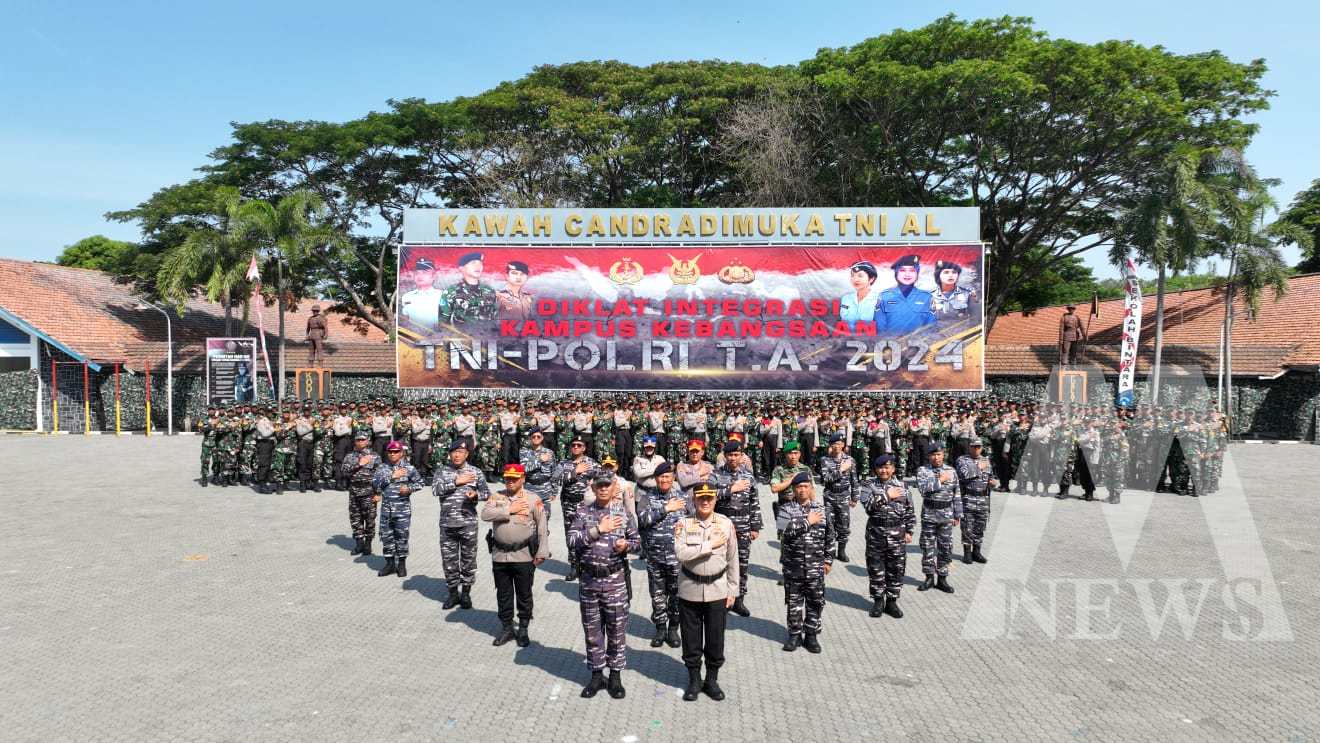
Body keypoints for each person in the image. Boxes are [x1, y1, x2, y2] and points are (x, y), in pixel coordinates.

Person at [568, 471, 640, 700]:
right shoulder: (583, 511)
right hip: (589, 581)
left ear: (614, 487)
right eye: (599, 485)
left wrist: (625, 546)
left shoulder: (623, 513)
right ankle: (596, 675)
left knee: (617, 630)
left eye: (607, 485)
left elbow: (638, 543)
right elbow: (572, 541)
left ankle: (615, 676)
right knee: (592, 631)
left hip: (615, 582)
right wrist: (598, 529)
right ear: (593, 487)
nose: (603, 488)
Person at [675, 482, 738, 702]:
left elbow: (733, 558)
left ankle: (711, 680)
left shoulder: (726, 524)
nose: (705, 501)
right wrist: (708, 545)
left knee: (715, 638)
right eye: (700, 498)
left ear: (715, 499)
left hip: (717, 589)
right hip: (689, 589)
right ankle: (694, 680)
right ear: (694, 500)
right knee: (690, 639)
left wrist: (733, 589)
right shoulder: (683, 523)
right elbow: (681, 553)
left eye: (709, 498)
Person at [481, 463, 550, 648]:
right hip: (500, 555)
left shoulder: (533, 499)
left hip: (523, 555)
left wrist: (542, 551)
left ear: (523, 479)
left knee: (524, 593)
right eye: (507, 478)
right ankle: (507, 628)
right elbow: (485, 514)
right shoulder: (497, 496)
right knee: (503, 594)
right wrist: (508, 510)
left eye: (514, 478)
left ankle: (524, 628)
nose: (510, 481)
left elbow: (542, 527)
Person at [776, 471, 835, 653]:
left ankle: (811, 635)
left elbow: (830, 537)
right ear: (793, 489)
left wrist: (828, 560)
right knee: (793, 602)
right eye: (799, 487)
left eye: (805, 486)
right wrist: (807, 522)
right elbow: (784, 532)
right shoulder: (785, 509)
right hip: (793, 566)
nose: (802, 490)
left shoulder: (822, 510)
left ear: (810, 488)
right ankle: (794, 635)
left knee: (815, 601)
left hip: (815, 566)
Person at [636, 462, 687, 649]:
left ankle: (673, 628)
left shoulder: (683, 498)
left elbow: (693, 522)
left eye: (667, 476)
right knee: (657, 595)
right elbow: (642, 520)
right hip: (655, 557)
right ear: (656, 479)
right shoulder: (646, 498)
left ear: (673, 478)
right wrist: (666, 509)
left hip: (677, 559)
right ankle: (660, 629)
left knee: (676, 594)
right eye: (661, 477)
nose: (664, 480)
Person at [433, 440, 490, 610]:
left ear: (466, 454)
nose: (457, 455)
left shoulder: (475, 472)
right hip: (447, 524)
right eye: (454, 452)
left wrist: (476, 495)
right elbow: (435, 490)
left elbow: (487, 493)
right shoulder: (442, 471)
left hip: (468, 524)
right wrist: (456, 482)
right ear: (450, 454)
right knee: (449, 561)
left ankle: (465, 593)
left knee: (468, 560)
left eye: (461, 452)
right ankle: (453, 594)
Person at [709, 439, 760, 617]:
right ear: (724, 456)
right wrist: (731, 488)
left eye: (736, 455)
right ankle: (721, 599)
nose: (733, 458)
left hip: (743, 527)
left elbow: (754, 502)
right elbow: (708, 496)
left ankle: (739, 600)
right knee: (721, 564)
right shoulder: (715, 475)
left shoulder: (748, 476)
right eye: (730, 455)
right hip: (722, 528)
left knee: (742, 564)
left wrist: (755, 526)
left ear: (741, 456)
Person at [859, 455, 913, 618]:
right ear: (876, 469)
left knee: (896, 568)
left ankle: (891, 601)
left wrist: (909, 531)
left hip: (897, 534)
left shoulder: (903, 486)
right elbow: (868, 506)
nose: (884, 470)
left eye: (887, 467)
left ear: (893, 469)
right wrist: (887, 495)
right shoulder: (868, 485)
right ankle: (878, 601)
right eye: (880, 467)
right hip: (876, 534)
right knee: (876, 568)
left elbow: (909, 510)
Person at [373, 440, 425, 578]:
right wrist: (392, 476)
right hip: (387, 509)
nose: (392, 454)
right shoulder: (382, 468)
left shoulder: (409, 468)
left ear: (401, 453)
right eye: (390, 452)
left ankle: (401, 564)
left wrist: (409, 488)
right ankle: (389, 564)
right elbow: (375, 484)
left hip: (402, 509)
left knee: (402, 536)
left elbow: (420, 483)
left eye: (396, 452)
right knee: (386, 536)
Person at [916, 443, 960, 593]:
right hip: (929, 514)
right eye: (933, 455)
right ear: (929, 456)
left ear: (943, 454)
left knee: (945, 547)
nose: (936, 457)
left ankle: (942, 578)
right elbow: (923, 489)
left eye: (939, 454)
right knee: (927, 546)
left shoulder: (951, 471)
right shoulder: (923, 471)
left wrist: (958, 513)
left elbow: (957, 493)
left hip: (946, 514)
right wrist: (940, 480)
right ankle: (929, 577)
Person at [557, 436, 600, 583]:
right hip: (568, 504)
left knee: (588, 532)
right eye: (573, 445)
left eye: (579, 445)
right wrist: (575, 471)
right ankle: (574, 565)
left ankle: (588, 563)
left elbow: (603, 479)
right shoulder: (563, 463)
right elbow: (556, 480)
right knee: (571, 534)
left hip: (586, 505)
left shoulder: (591, 463)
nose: (575, 447)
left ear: (584, 448)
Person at [819, 432, 858, 562]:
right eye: (834, 444)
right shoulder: (825, 460)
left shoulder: (850, 460)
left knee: (844, 525)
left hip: (844, 496)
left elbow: (854, 480)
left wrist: (854, 497)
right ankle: (830, 552)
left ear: (843, 445)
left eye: (839, 443)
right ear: (830, 445)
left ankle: (841, 551)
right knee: (829, 525)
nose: (837, 446)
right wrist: (841, 470)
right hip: (830, 496)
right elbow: (826, 479)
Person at [340, 430, 381, 556]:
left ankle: (368, 544)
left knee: (370, 519)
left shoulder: (374, 456)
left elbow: (379, 476)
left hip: (369, 492)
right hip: (354, 492)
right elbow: (344, 472)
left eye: (363, 439)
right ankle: (359, 544)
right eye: (358, 440)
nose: (360, 442)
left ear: (368, 441)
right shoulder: (349, 456)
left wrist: (378, 493)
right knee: (355, 519)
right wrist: (359, 464)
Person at [873, 254, 936, 335]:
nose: (907, 274)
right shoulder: (884, 296)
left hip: (920, 341)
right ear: (896, 273)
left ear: (917, 273)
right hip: (890, 342)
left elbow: (931, 326)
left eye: (912, 270)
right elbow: (879, 327)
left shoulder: (927, 297)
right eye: (902, 270)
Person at [956, 440, 996, 565]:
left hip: (983, 499)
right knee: (967, 527)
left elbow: (990, 476)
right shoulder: (962, 460)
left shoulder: (986, 460)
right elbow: (963, 475)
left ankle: (976, 552)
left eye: (978, 447)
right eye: (974, 447)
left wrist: (993, 483)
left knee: (980, 527)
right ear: (969, 447)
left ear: (981, 448)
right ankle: (967, 553)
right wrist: (978, 468)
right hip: (969, 498)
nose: (976, 449)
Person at [438, 252, 498, 324]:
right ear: (461, 268)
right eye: (473, 263)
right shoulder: (451, 292)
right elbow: (443, 323)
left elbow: (495, 320)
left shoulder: (489, 290)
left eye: (480, 263)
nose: (478, 266)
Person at [399, 257, 444, 330]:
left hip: (436, 335)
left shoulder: (442, 295)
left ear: (433, 276)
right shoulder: (407, 297)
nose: (420, 276)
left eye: (424, 272)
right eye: (417, 273)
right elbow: (405, 320)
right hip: (413, 335)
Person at [839, 261, 881, 332]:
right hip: (847, 337)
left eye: (860, 276)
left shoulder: (879, 300)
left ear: (871, 279)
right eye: (852, 275)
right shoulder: (846, 299)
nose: (855, 279)